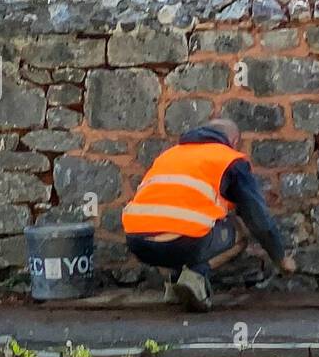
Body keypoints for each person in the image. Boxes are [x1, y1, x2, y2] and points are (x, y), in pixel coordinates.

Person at [122, 118, 295, 311]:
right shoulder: (229, 159)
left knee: (181, 227)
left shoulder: (169, 155)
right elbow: (257, 217)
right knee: (239, 233)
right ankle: (195, 275)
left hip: (137, 243)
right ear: (234, 141)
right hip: (181, 243)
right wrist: (280, 258)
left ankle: (174, 285)